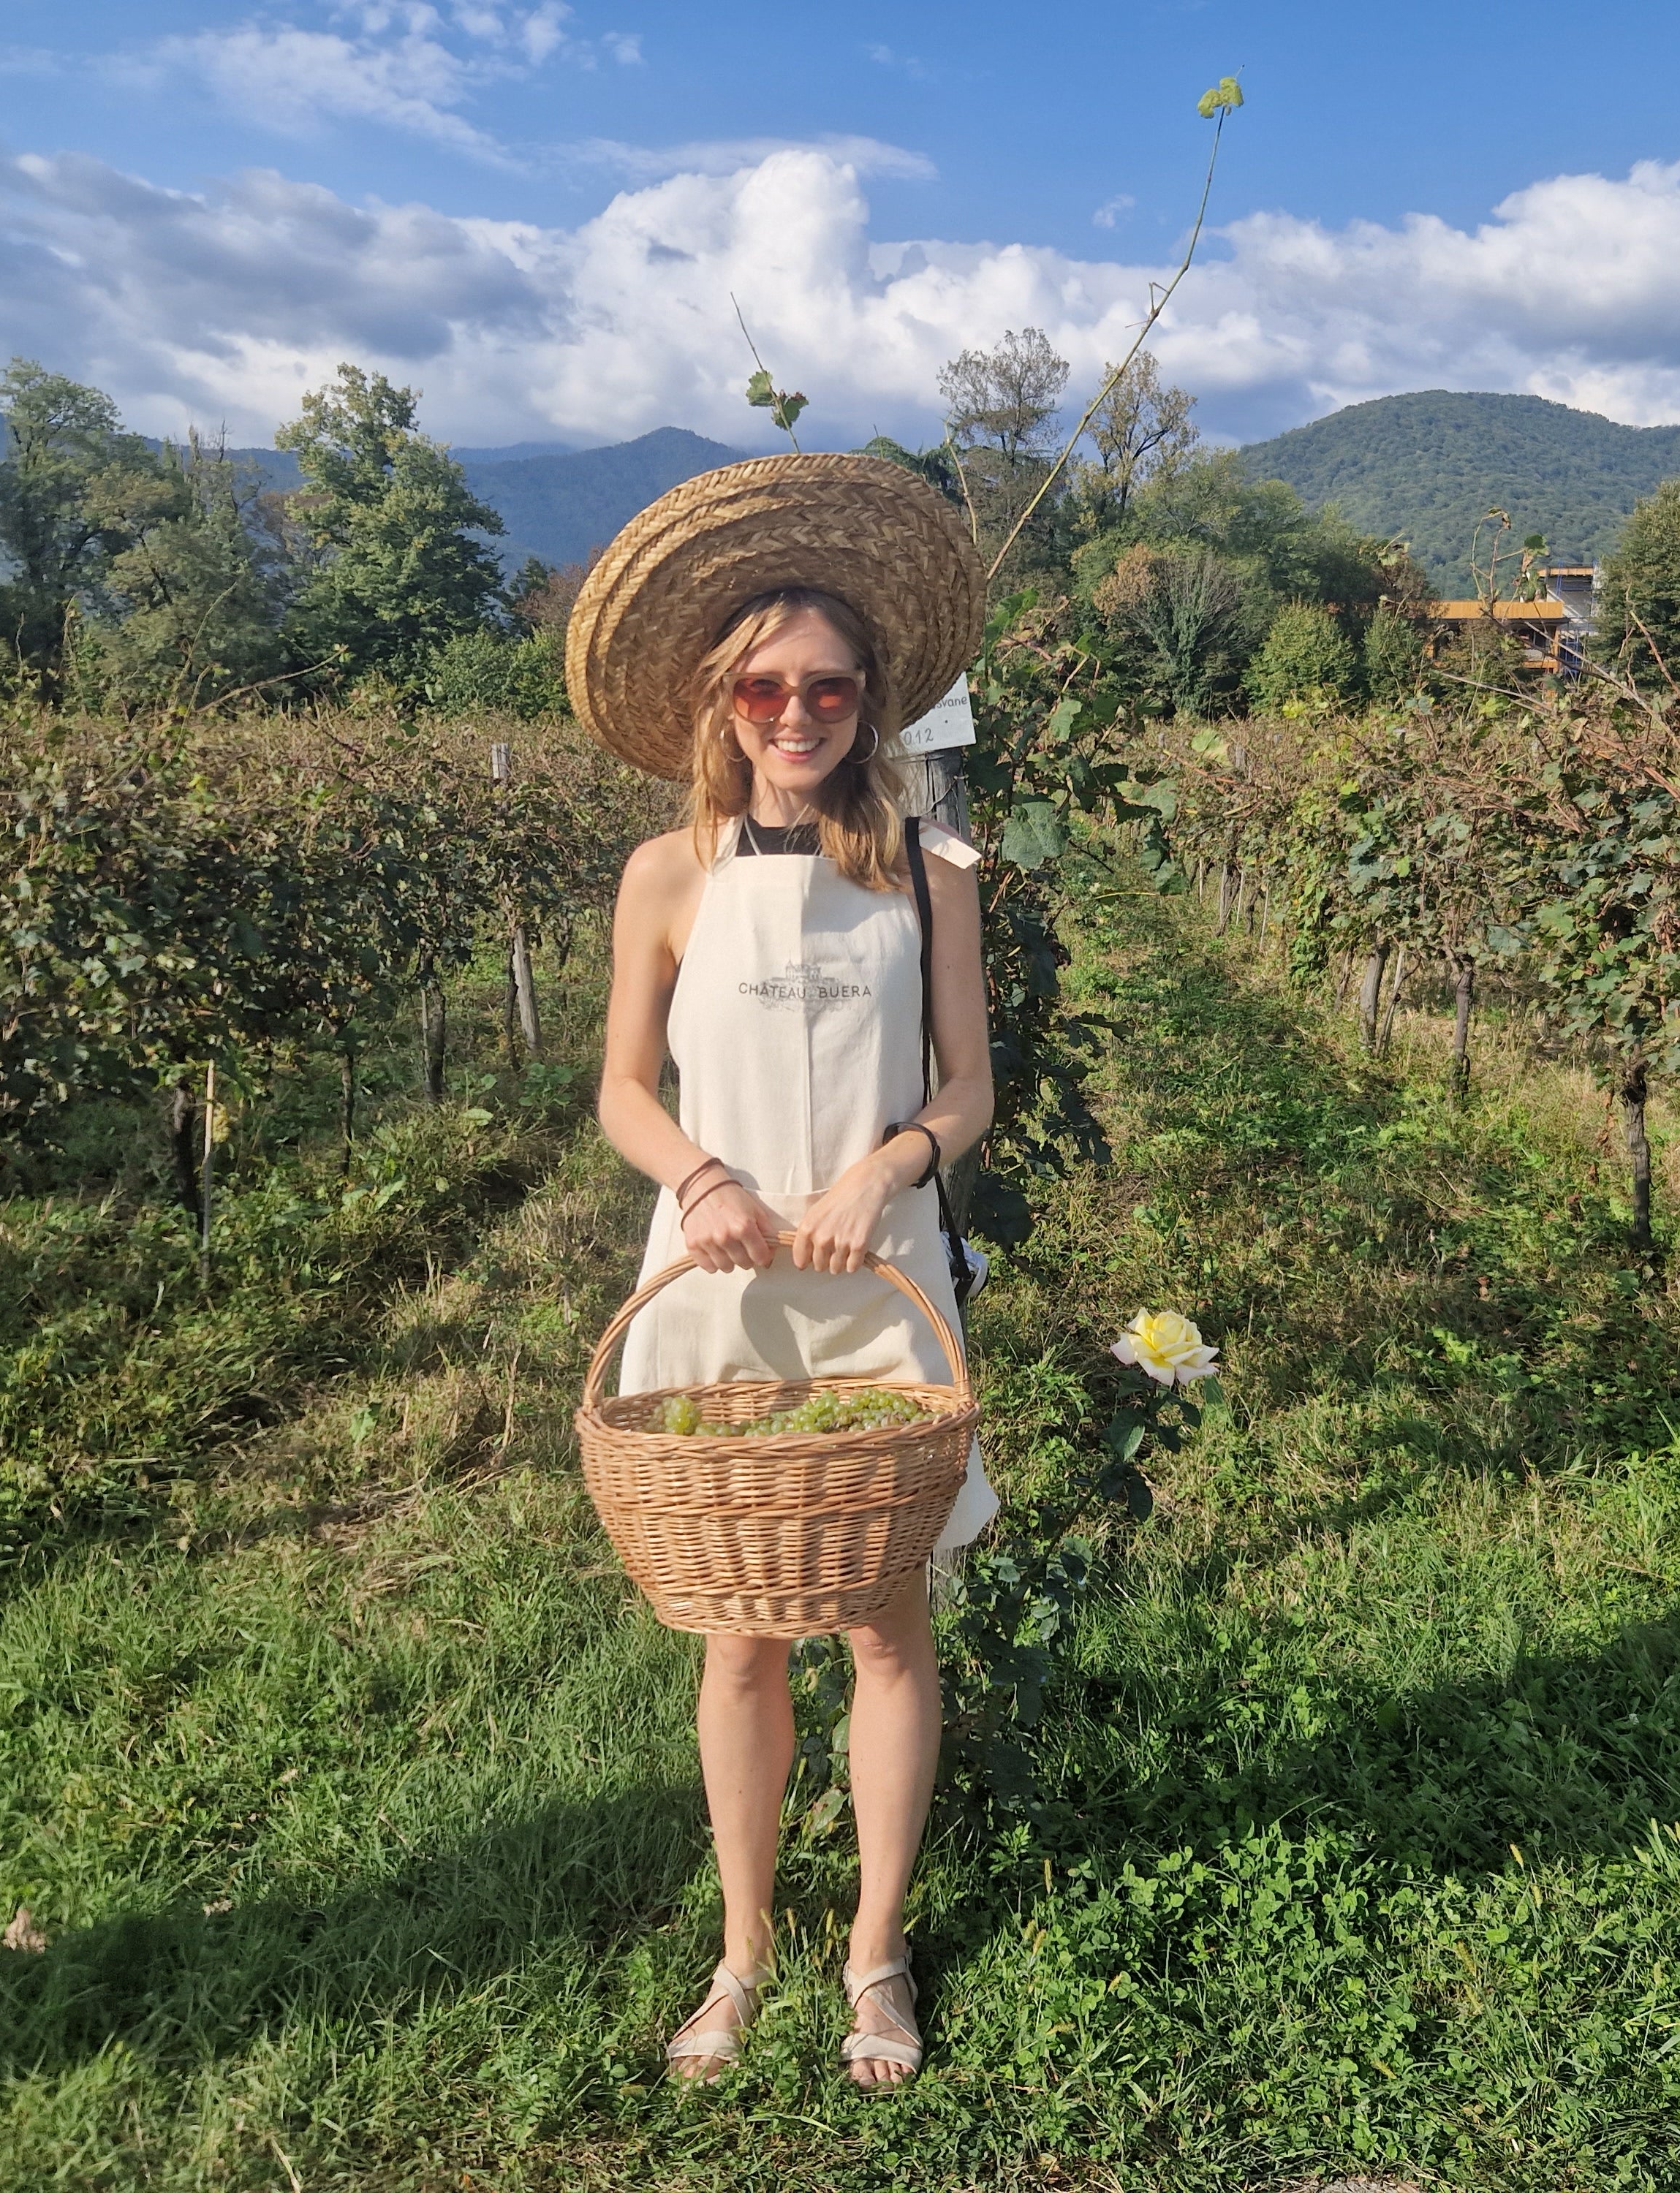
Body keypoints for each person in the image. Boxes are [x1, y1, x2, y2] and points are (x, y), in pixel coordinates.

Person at [570, 454, 994, 2088]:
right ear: (722, 700)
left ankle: (872, 1954)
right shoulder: (663, 874)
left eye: (826, 684)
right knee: (737, 1630)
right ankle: (743, 1952)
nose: (795, 709)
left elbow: (966, 1084)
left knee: (889, 1627)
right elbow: (619, 1086)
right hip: (719, 1282)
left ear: (870, 697)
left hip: (879, 1278)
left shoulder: (927, 869)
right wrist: (701, 1180)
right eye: (765, 683)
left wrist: (889, 1165)